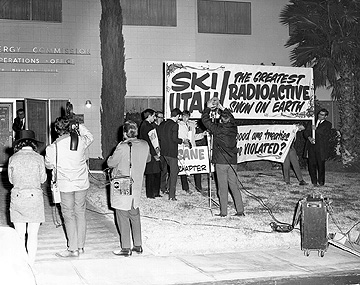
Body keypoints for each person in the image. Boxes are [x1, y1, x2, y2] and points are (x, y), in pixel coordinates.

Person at [45, 116, 94, 258]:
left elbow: (49, 165)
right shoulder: (81, 141)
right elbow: (90, 136)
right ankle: (81, 246)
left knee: (68, 215)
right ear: (70, 128)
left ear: (56, 130)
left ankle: (72, 249)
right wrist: (79, 126)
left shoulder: (52, 148)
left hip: (66, 185)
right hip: (81, 184)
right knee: (80, 213)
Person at [107, 121, 150, 256]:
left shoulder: (123, 147)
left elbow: (111, 163)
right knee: (134, 214)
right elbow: (147, 159)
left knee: (122, 214)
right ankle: (138, 245)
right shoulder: (144, 144)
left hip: (123, 182)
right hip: (136, 183)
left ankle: (125, 248)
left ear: (125, 133)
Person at [8, 129, 47, 267]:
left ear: (19, 144)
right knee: (32, 235)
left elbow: (11, 180)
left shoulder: (13, 158)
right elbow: (43, 179)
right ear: (33, 144)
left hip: (18, 198)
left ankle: (21, 261)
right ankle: (30, 263)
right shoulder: (39, 158)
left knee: (19, 234)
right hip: (34, 198)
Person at [201, 97, 245, 217]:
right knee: (234, 186)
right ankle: (240, 210)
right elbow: (233, 118)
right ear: (230, 120)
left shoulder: (218, 129)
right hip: (232, 161)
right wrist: (221, 107)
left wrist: (208, 107)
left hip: (221, 162)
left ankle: (223, 212)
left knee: (222, 187)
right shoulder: (234, 128)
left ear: (221, 120)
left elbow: (205, 120)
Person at [157, 108, 188, 201]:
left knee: (165, 171)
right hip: (171, 152)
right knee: (174, 173)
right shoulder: (175, 125)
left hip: (163, 151)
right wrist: (182, 140)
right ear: (178, 116)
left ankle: (163, 188)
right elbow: (175, 139)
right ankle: (172, 195)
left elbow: (159, 136)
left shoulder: (163, 123)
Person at [303, 108, 332, 187]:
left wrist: (316, 129)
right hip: (311, 146)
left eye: (322, 115)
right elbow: (306, 132)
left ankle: (321, 182)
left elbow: (325, 134)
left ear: (325, 116)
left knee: (320, 164)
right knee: (311, 164)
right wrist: (309, 138)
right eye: (319, 114)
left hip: (321, 147)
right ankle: (314, 182)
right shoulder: (312, 121)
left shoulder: (328, 124)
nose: (320, 116)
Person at [139, 109, 161, 198]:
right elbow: (151, 142)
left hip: (149, 151)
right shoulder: (147, 126)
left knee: (156, 172)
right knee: (151, 173)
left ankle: (155, 192)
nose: (154, 118)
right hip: (150, 152)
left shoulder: (145, 125)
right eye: (153, 116)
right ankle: (151, 193)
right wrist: (155, 153)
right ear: (149, 116)